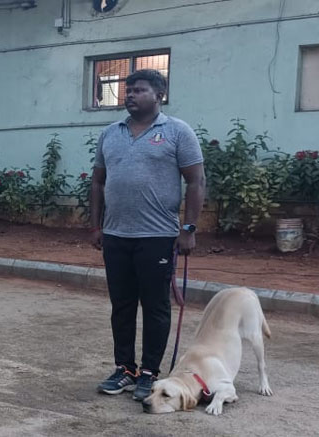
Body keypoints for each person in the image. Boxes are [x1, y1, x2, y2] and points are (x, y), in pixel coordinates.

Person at [90, 69, 206, 401]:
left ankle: (150, 372)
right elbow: (97, 181)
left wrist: (188, 228)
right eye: (128, 90)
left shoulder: (177, 131)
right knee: (122, 305)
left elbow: (196, 181)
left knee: (155, 305)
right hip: (116, 235)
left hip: (157, 236)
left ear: (159, 95)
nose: (129, 95)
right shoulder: (110, 133)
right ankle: (124, 369)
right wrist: (96, 226)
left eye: (139, 90)